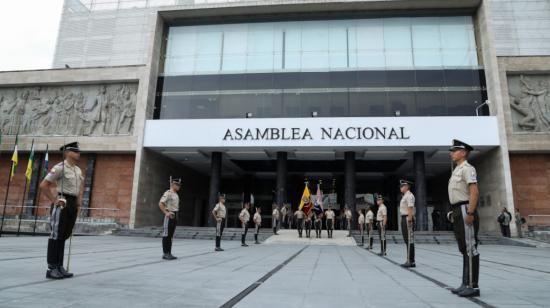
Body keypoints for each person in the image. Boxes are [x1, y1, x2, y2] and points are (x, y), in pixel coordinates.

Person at [40, 142, 84, 279]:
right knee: (56, 235)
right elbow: (44, 185)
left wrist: (77, 204)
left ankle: (59, 266)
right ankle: (51, 268)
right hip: (62, 202)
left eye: (78, 151)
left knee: (65, 234)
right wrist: (54, 200)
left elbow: (78, 188)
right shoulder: (59, 168)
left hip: (72, 203)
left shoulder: (77, 170)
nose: (78, 153)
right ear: (67, 152)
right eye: (75, 151)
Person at [448, 139, 481, 297]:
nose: (452, 153)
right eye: (452, 151)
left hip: (465, 209)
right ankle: (465, 282)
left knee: (470, 247)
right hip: (457, 209)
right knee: (463, 248)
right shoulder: (457, 170)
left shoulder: (468, 168)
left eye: (454, 150)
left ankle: (473, 286)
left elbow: (474, 192)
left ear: (463, 152)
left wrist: (470, 212)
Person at [158, 178, 182, 260]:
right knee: (166, 234)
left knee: (171, 235)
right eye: (177, 184)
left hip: (175, 215)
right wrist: (166, 213)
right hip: (169, 215)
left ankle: (169, 252)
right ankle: (165, 253)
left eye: (179, 185)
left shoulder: (176, 194)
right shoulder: (168, 193)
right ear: (173, 184)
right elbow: (161, 203)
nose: (179, 186)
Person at [399, 179, 416, 268]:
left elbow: (410, 208)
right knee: (407, 240)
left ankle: (411, 261)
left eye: (402, 186)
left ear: (407, 186)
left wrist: (409, 220)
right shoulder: (405, 196)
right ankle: (409, 259)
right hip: (404, 218)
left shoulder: (409, 195)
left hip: (407, 218)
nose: (401, 187)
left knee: (409, 240)